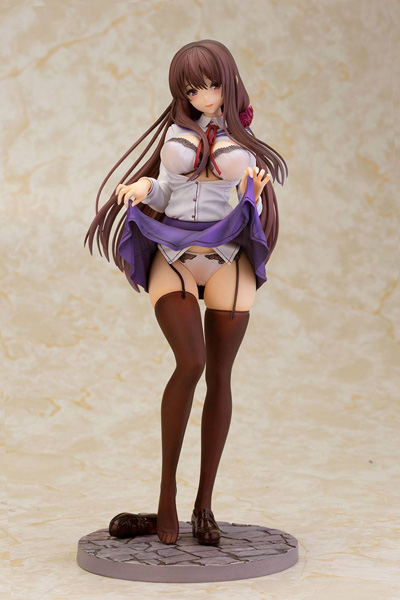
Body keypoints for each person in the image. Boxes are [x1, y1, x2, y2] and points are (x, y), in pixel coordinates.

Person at [85, 39, 288, 546]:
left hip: (225, 256)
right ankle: (166, 495)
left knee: (219, 374)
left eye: (211, 85)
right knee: (190, 362)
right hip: (173, 250)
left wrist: (255, 193)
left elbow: (243, 199)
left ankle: (204, 504)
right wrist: (142, 189)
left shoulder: (242, 139)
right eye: (193, 89)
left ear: (229, 82)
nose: (204, 96)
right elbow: (166, 189)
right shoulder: (177, 133)